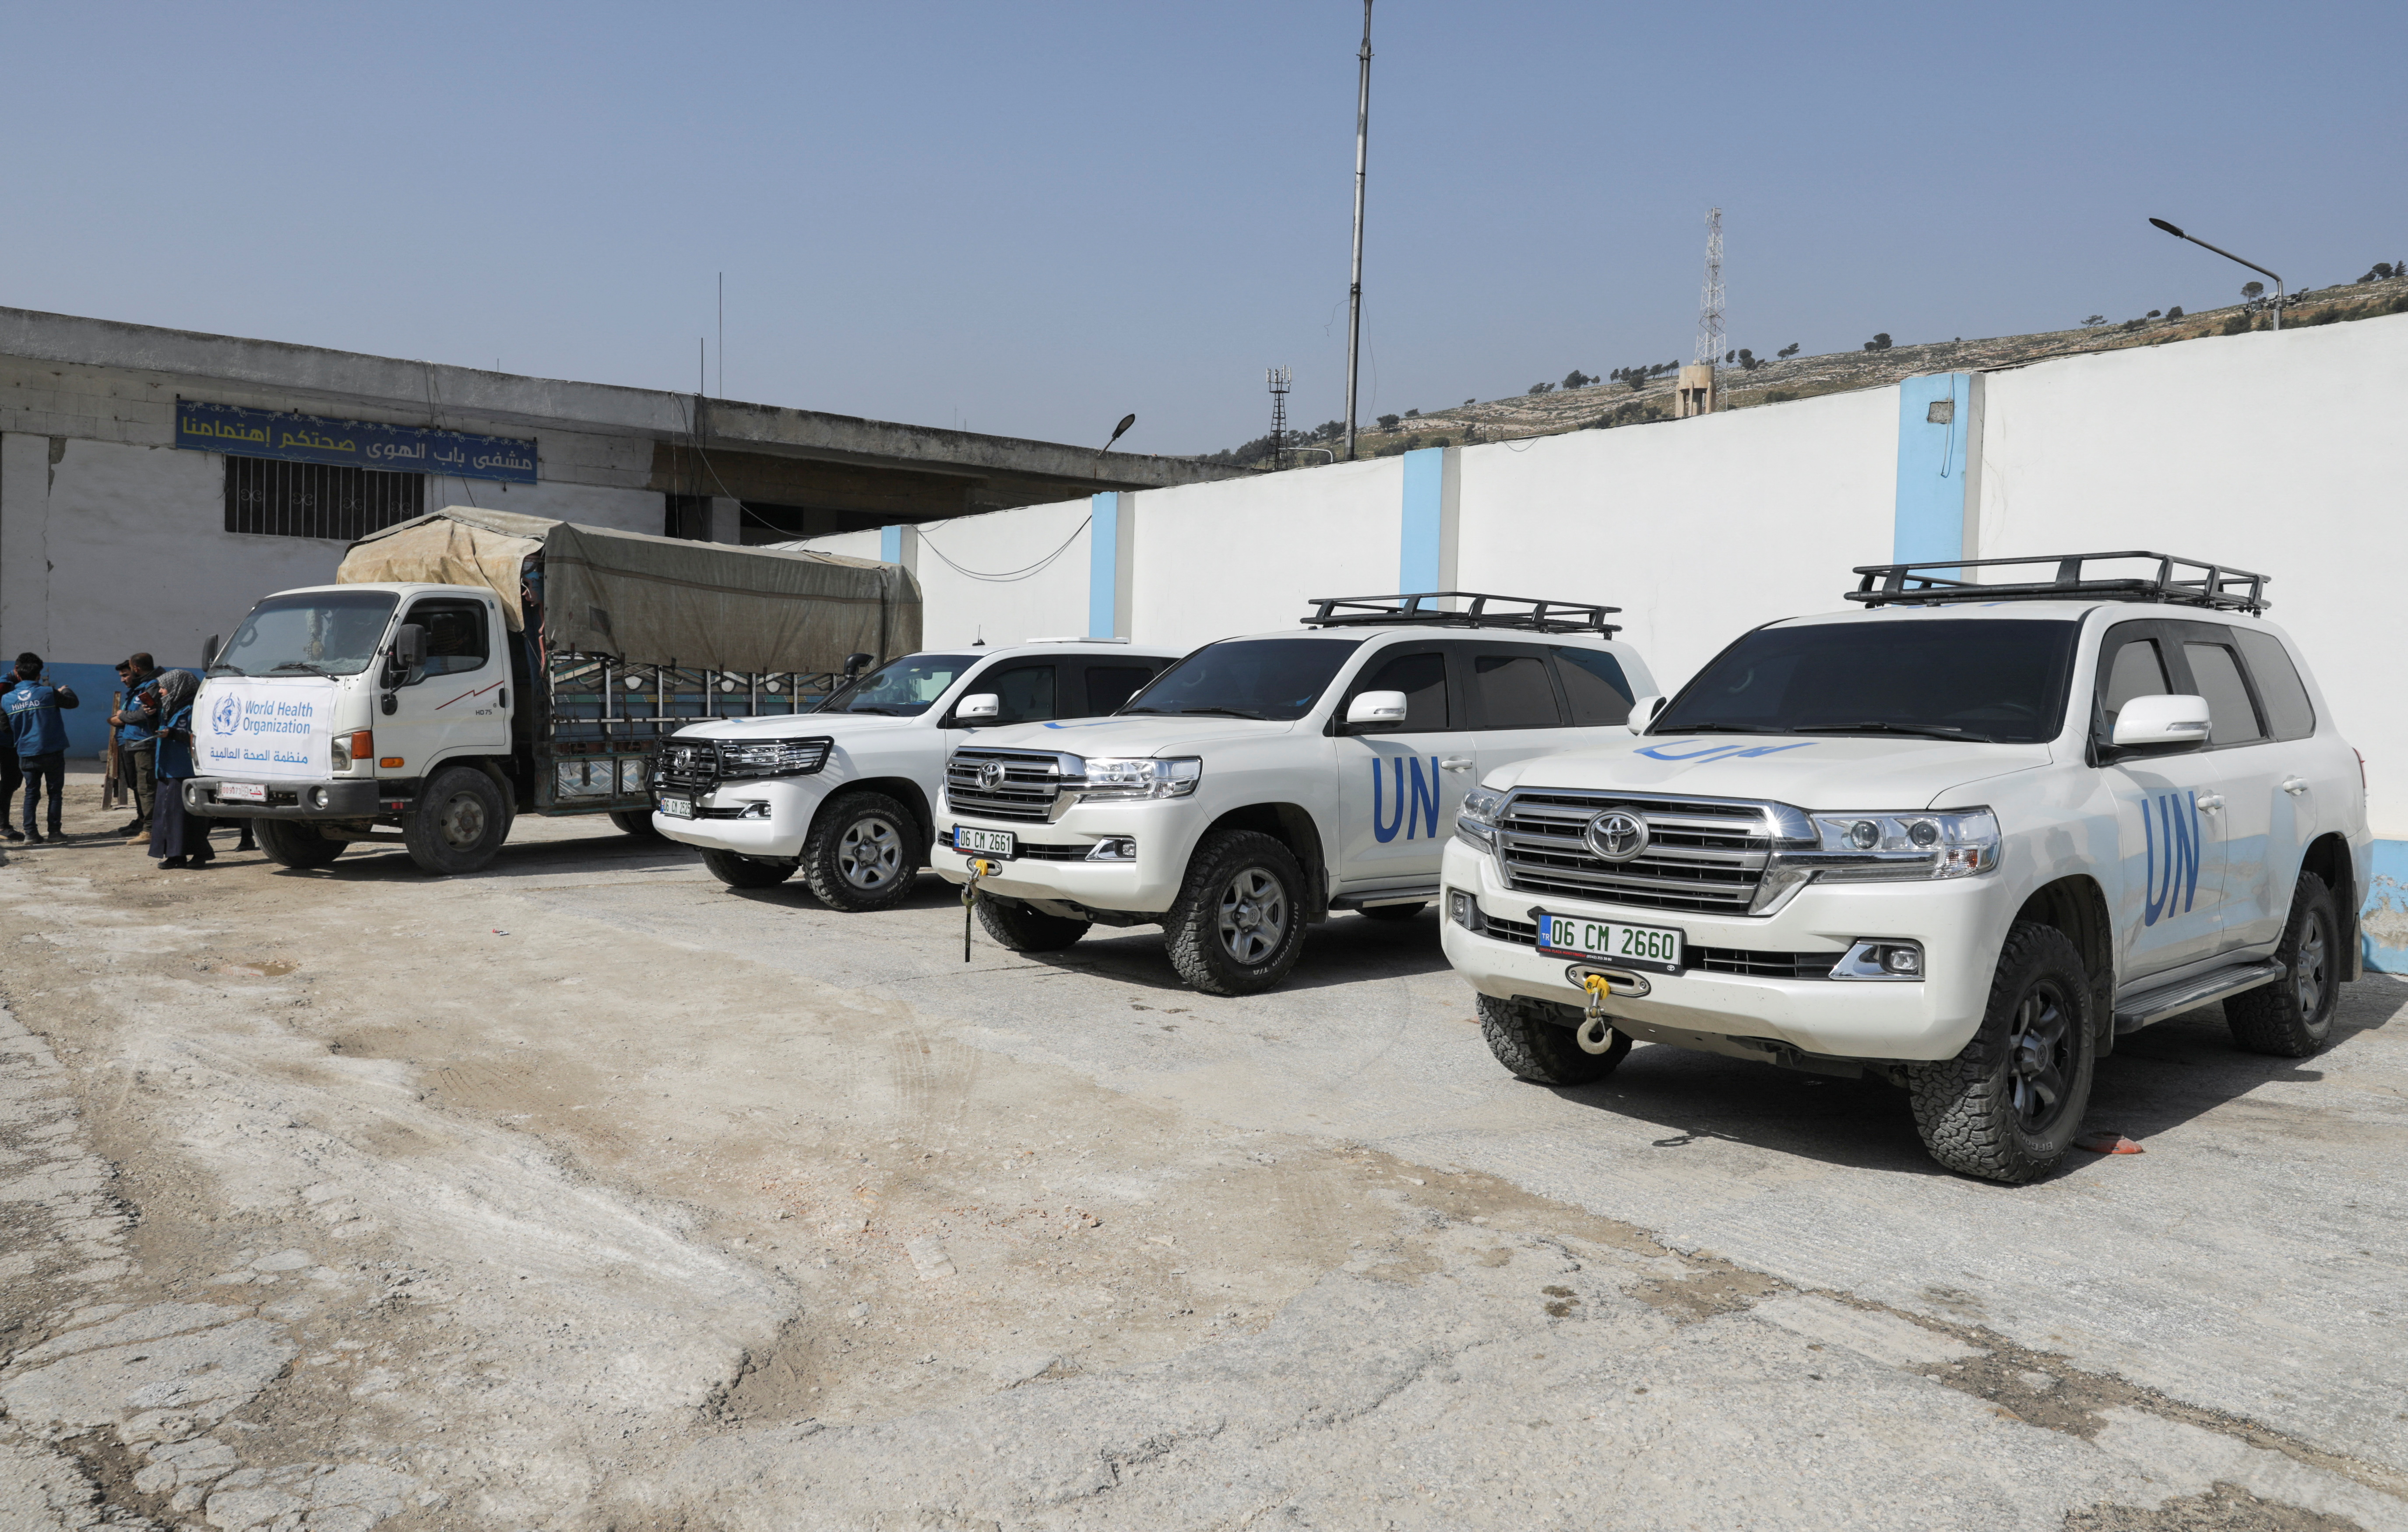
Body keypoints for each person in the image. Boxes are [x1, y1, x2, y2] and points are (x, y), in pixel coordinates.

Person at [3, 654, 79, 843]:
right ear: (39, 676)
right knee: (55, 793)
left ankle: (30, 834)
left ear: (18, 676)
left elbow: (5, 728)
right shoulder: (48, 693)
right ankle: (54, 832)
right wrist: (66, 690)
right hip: (52, 749)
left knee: (31, 792)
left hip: (26, 752)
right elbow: (72, 703)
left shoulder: (6, 699)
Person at [147, 669, 212, 869]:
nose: (161, 692)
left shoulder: (196, 708)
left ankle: (199, 854)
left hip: (184, 768)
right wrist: (151, 716)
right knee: (167, 814)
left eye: (163, 688)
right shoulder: (169, 708)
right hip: (167, 767)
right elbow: (158, 729)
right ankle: (176, 855)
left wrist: (174, 733)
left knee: (186, 816)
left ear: (177, 687)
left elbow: (199, 736)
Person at [109, 653, 163, 837]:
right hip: (130, 741)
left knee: (146, 787)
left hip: (143, 742)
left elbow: (144, 715)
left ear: (136, 669)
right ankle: (143, 821)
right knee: (137, 785)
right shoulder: (137, 689)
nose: (124, 679)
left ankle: (150, 828)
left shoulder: (151, 686)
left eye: (127, 674)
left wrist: (122, 717)